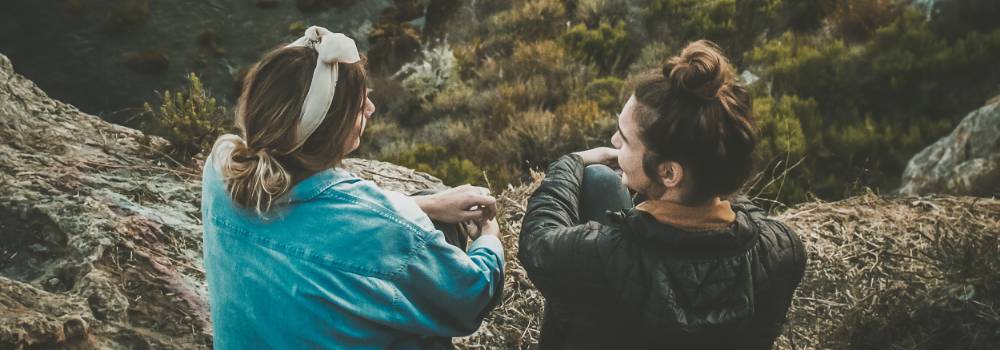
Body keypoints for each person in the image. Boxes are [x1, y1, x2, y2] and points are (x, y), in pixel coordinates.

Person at [201, 26, 504, 349]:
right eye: (358, 107)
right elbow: (470, 296)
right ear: (328, 130)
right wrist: (489, 238)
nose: (370, 109)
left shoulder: (220, 168)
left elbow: (322, 220)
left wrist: (427, 205)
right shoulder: (384, 231)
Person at [518, 40, 807, 349]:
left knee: (597, 179)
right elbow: (742, 214)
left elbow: (538, 241)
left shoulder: (608, 258)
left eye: (626, 140)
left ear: (670, 173)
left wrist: (570, 163)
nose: (614, 141)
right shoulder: (783, 250)